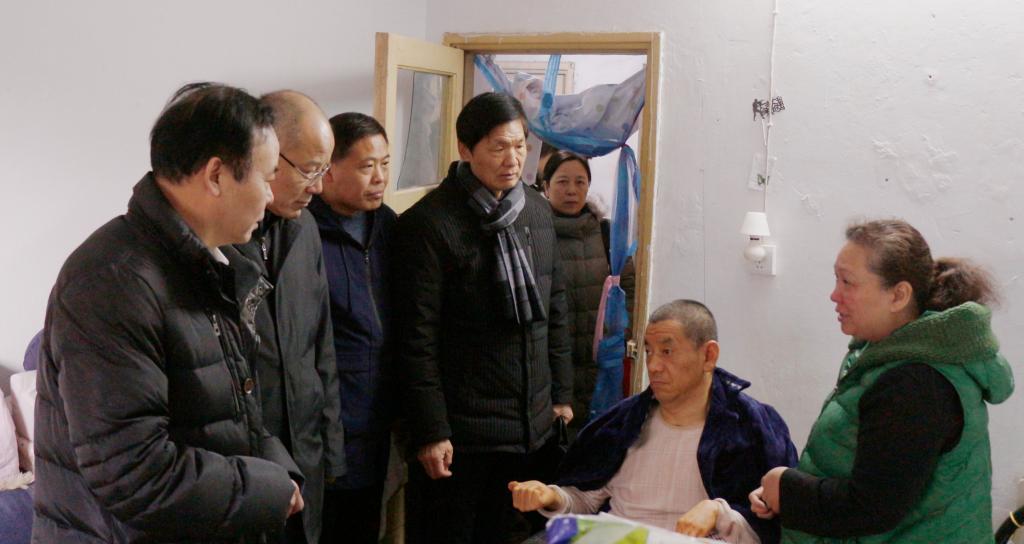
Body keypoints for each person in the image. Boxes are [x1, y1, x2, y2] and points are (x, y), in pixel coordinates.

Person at [33, 82, 304, 542]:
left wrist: (279, 470)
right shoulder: (112, 282)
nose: (270, 195)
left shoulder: (213, 261)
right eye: (267, 176)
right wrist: (268, 489)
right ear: (216, 175)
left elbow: (236, 410)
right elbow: (132, 473)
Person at [750, 219, 1014, 543]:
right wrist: (781, 495)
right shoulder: (889, 356)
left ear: (898, 295)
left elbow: (873, 507)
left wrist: (787, 489)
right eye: (836, 279)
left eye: (848, 282)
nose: (834, 295)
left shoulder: (916, 382)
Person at [392, 92, 574, 543]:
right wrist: (431, 431)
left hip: (531, 428)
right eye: (498, 147)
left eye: (520, 145)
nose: (513, 159)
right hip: (462, 436)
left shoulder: (536, 210)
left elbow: (555, 308)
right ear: (465, 149)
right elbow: (415, 339)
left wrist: (561, 395)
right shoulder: (430, 224)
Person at [510, 299, 797, 543]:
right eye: (649, 351)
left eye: (667, 351)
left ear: (709, 356)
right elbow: (585, 501)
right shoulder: (622, 424)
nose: (653, 365)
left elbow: (771, 531)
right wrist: (551, 496)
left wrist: (719, 513)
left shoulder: (750, 428)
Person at [224, 90, 346, 543]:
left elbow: (321, 345)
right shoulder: (218, 236)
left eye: (323, 171)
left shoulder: (305, 227)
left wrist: (331, 451)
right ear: (268, 152)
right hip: (246, 465)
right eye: (310, 170)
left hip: (306, 452)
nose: (318, 187)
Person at [308, 112, 396, 544]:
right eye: (366, 166)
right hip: (326, 423)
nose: (379, 178)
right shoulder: (302, 232)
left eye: (385, 164)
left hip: (379, 422)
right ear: (328, 169)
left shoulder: (389, 226)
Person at [541, 150, 635, 432]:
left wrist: (618, 336)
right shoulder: (534, 233)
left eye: (580, 182)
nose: (572, 190)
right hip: (550, 369)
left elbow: (629, 286)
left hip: (600, 368)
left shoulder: (607, 235)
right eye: (562, 182)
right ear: (545, 187)